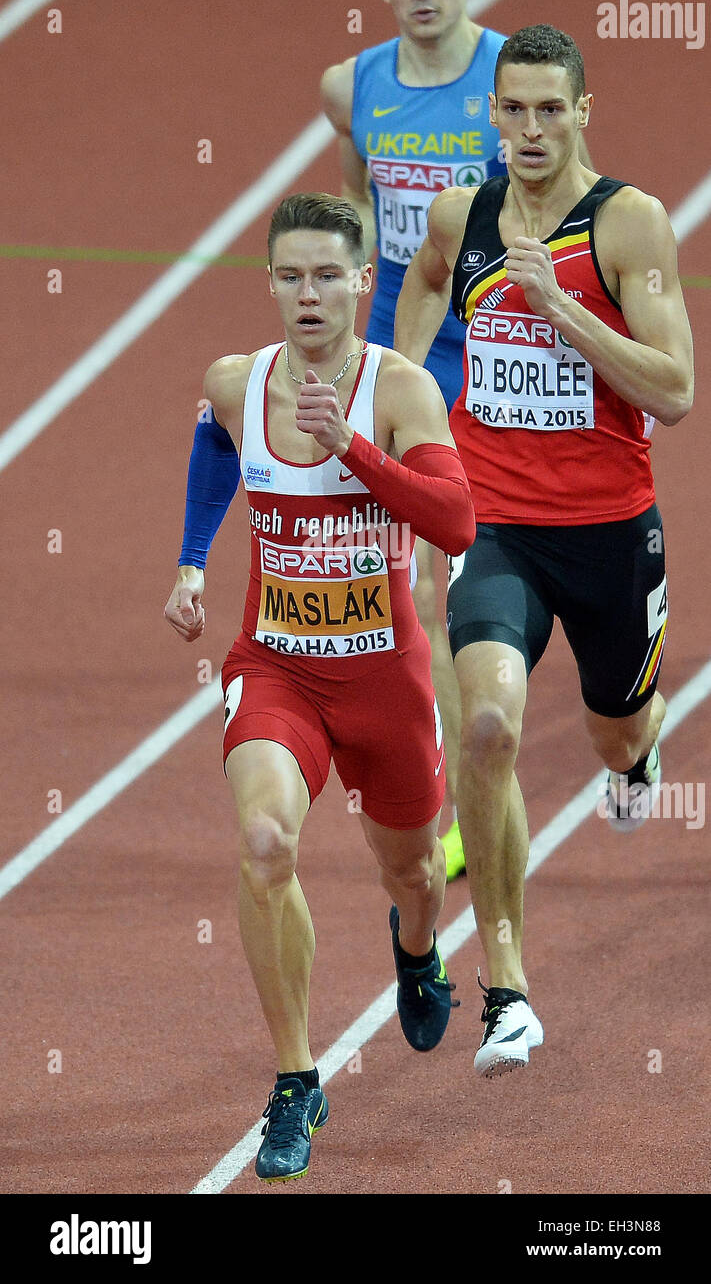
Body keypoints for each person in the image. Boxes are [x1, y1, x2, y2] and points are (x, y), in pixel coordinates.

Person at [393, 24, 694, 1077]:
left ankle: (639, 750)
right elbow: (427, 281)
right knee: (484, 724)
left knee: (617, 738)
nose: (529, 128)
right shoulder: (461, 217)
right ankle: (507, 986)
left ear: (583, 110)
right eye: (511, 108)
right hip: (497, 523)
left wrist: (561, 308)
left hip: (612, 530)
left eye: (548, 109)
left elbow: (676, 391)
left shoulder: (629, 224)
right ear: (495, 113)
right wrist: (413, 390)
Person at [164, 193, 474, 1181]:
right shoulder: (235, 382)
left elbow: (456, 522)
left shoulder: (400, 391)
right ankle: (297, 1079)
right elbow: (216, 446)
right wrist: (190, 562)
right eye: (290, 275)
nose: (308, 293)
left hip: (385, 679)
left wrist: (351, 445)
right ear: (270, 282)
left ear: (362, 283)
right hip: (278, 666)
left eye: (327, 275)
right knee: (264, 840)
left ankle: (417, 951)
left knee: (416, 875)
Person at [321, 0, 592, 881]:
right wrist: (351, 259)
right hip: (413, 347)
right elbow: (358, 188)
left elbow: (571, 187)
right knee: (424, 583)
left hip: (512, 355)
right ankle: (458, 806)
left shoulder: (507, 83)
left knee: (547, 541)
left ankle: (600, 641)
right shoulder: (353, 88)